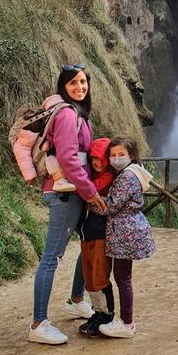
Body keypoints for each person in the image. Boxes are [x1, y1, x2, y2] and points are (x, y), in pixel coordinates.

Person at [28, 63, 107, 345]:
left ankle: (76, 299)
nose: (79, 87)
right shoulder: (65, 115)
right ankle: (38, 323)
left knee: (88, 243)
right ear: (64, 86)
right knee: (51, 258)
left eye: (83, 82)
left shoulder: (78, 114)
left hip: (76, 191)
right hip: (66, 193)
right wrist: (91, 193)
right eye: (73, 83)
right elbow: (69, 160)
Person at [96, 136, 156, 339]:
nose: (116, 159)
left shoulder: (126, 177)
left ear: (131, 155)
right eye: (112, 155)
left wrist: (90, 198)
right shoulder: (133, 172)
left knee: (123, 278)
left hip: (125, 233)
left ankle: (127, 323)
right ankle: (125, 320)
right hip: (127, 231)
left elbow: (111, 206)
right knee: (123, 277)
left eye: (121, 155)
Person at [78, 138, 115, 337]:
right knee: (89, 277)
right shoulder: (95, 175)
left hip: (101, 234)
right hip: (88, 233)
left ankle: (107, 315)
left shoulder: (107, 177)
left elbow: (89, 189)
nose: (98, 163)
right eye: (94, 159)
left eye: (102, 159)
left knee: (99, 276)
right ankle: (97, 313)